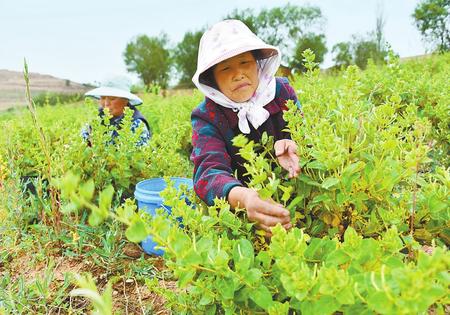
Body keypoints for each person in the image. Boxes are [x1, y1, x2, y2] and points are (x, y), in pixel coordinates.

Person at [191, 20, 302, 236]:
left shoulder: (281, 92)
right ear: (212, 78)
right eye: (225, 68)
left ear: (258, 63)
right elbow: (208, 173)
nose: (238, 74)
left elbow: (304, 132)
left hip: (293, 193)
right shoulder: (207, 115)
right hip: (245, 210)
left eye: (245, 62)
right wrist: (243, 197)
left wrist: (294, 142)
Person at [82, 75, 151, 146]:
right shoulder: (97, 118)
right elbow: (83, 141)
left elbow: (139, 155)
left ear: (126, 100)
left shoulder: (136, 124)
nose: (106, 104)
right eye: (102, 98)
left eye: (112, 98)